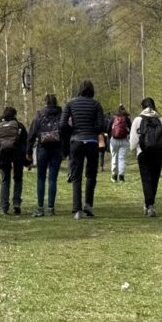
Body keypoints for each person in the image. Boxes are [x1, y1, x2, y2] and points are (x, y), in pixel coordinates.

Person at [60, 80, 105, 220]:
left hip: (76, 141)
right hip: (91, 141)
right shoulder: (96, 104)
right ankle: (88, 205)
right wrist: (92, 130)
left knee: (76, 175)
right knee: (91, 175)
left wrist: (72, 131)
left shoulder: (70, 104)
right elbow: (101, 125)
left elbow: (62, 124)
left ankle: (77, 209)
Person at [27, 93, 66, 217]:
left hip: (42, 149)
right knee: (52, 178)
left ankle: (40, 208)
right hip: (57, 149)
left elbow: (31, 135)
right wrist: (65, 151)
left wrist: (28, 152)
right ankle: (50, 208)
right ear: (56, 102)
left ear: (45, 103)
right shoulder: (61, 115)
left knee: (41, 178)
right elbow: (65, 133)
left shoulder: (39, 116)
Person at [129, 97, 162, 217]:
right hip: (158, 152)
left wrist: (133, 148)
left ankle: (149, 205)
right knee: (154, 179)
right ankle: (150, 204)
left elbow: (133, 138)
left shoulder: (138, 119)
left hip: (143, 152)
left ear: (142, 107)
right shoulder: (159, 119)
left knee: (146, 179)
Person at [0, 106, 28, 215]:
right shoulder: (19, 126)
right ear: (14, 115)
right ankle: (16, 203)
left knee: (5, 180)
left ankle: (4, 207)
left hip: (3, 155)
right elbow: (25, 141)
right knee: (18, 179)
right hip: (17, 155)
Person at [107, 105, 131, 182]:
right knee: (122, 158)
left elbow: (108, 129)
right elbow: (131, 128)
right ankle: (121, 176)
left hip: (114, 140)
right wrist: (127, 134)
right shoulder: (126, 118)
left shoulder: (113, 118)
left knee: (114, 157)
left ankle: (114, 176)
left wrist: (110, 136)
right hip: (124, 140)